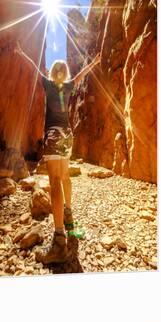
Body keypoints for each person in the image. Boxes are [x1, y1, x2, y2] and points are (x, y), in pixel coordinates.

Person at [14, 40, 101, 264]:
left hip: (54, 135)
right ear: (59, 72)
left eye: (60, 69)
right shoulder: (69, 85)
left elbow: (35, 68)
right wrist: (94, 62)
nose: (60, 72)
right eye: (60, 69)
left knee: (54, 181)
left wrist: (23, 52)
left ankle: (59, 240)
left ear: (54, 73)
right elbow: (80, 74)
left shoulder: (49, 84)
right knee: (63, 178)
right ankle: (69, 218)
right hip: (67, 136)